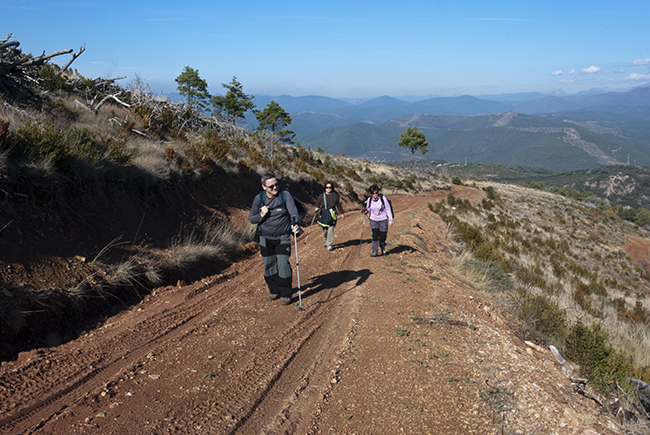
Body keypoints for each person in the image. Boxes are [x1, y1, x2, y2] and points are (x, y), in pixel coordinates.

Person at [249, 172, 301, 306]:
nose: (275, 188)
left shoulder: (285, 195)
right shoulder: (258, 198)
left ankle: (286, 294)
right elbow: (252, 219)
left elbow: (294, 213)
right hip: (265, 238)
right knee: (269, 265)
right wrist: (261, 214)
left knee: (283, 264)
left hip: (283, 236)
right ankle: (274, 291)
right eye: (271, 186)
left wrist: (295, 225)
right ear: (263, 187)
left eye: (276, 184)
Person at [314, 181, 345, 251]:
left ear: (332, 188)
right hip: (323, 215)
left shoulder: (335, 196)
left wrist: (342, 213)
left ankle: (329, 244)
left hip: (332, 215)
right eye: (327, 187)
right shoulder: (321, 196)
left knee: (330, 230)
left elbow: (338, 205)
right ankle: (326, 241)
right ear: (324, 188)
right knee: (325, 231)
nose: (328, 189)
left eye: (330, 187)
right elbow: (317, 204)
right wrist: (317, 208)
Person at [364, 184, 393, 257]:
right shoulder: (369, 200)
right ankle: (375, 251)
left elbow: (388, 209)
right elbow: (369, 208)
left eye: (376, 193)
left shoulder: (383, 198)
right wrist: (366, 211)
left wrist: (390, 220)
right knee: (375, 235)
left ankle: (382, 245)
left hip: (383, 219)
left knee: (383, 235)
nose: (375, 194)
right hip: (373, 219)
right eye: (373, 193)